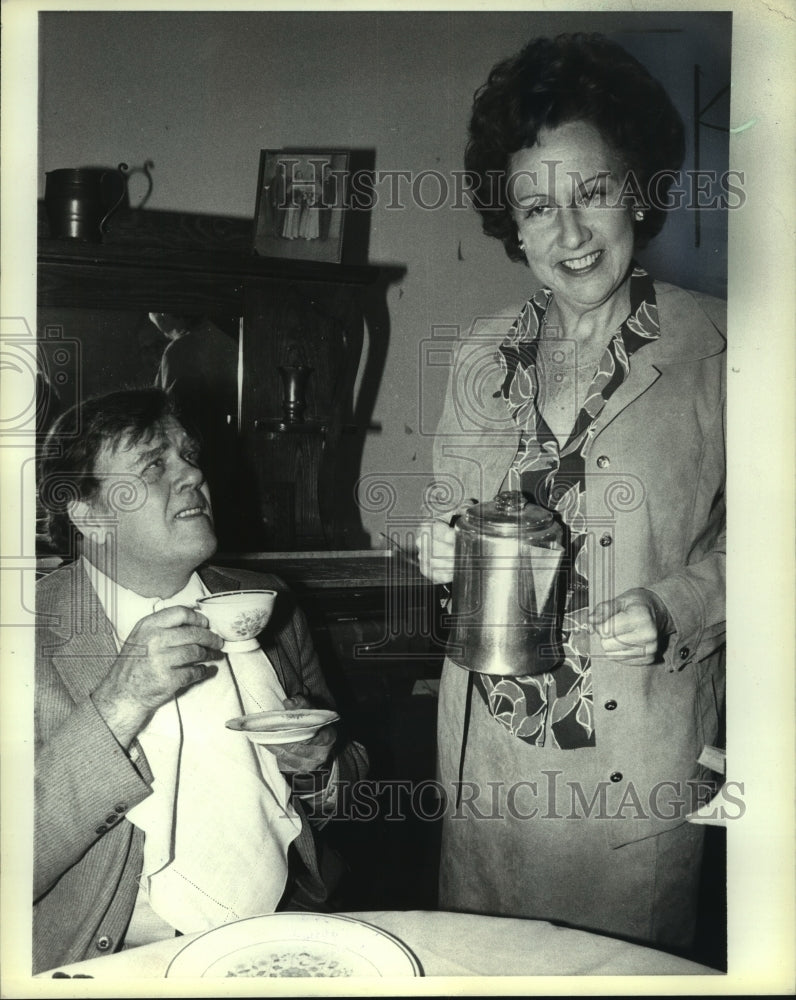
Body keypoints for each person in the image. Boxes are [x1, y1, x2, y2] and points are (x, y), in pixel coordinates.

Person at [417, 33, 725, 954]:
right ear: (509, 224)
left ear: (638, 187)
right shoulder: (479, 352)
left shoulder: (726, 349)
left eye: (593, 192)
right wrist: (434, 545)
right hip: (491, 769)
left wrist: (677, 605)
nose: (572, 234)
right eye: (537, 207)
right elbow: (446, 513)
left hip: (636, 770)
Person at [34, 387, 368, 973]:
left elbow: (352, 780)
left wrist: (320, 765)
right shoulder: (25, 636)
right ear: (89, 514)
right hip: (113, 955)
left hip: (283, 929)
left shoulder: (268, 604)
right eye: (154, 465)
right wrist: (118, 703)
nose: (191, 473)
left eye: (189, 456)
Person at [151, 312, 258, 550]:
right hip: (232, 459)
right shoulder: (225, 341)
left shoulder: (182, 349)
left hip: (202, 457)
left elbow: (170, 417)